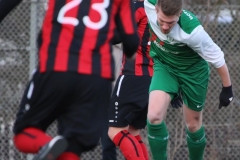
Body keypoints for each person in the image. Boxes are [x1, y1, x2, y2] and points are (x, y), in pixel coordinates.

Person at [0, 0, 140, 160]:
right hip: (96, 78)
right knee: (73, 147)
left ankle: (47, 146)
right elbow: (131, 41)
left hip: (57, 69)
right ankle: (58, 151)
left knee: (24, 133)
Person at [143, 0, 234, 160]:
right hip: (165, 66)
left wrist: (227, 89)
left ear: (179, 14)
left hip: (193, 73)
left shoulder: (193, 32)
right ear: (156, 9)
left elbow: (218, 58)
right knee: (154, 116)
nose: (165, 27)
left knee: (192, 125)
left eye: (170, 23)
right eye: (162, 21)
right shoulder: (149, 4)